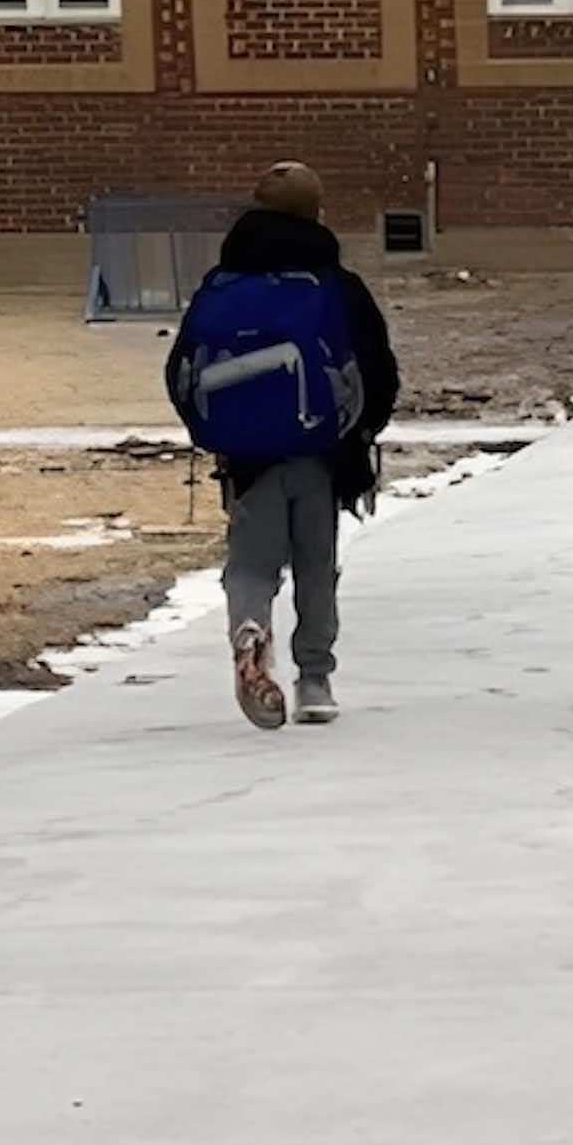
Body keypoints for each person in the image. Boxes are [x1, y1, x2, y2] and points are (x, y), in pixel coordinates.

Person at [166, 162, 399, 732]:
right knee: (316, 566)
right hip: (322, 451)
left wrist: (215, 430)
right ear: (316, 213)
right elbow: (377, 369)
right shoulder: (334, 285)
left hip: (247, 457)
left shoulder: (222, 284)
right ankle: (314, 679)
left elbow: (181, 370)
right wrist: (362, 430)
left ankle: (249, 628)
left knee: (251, 563)